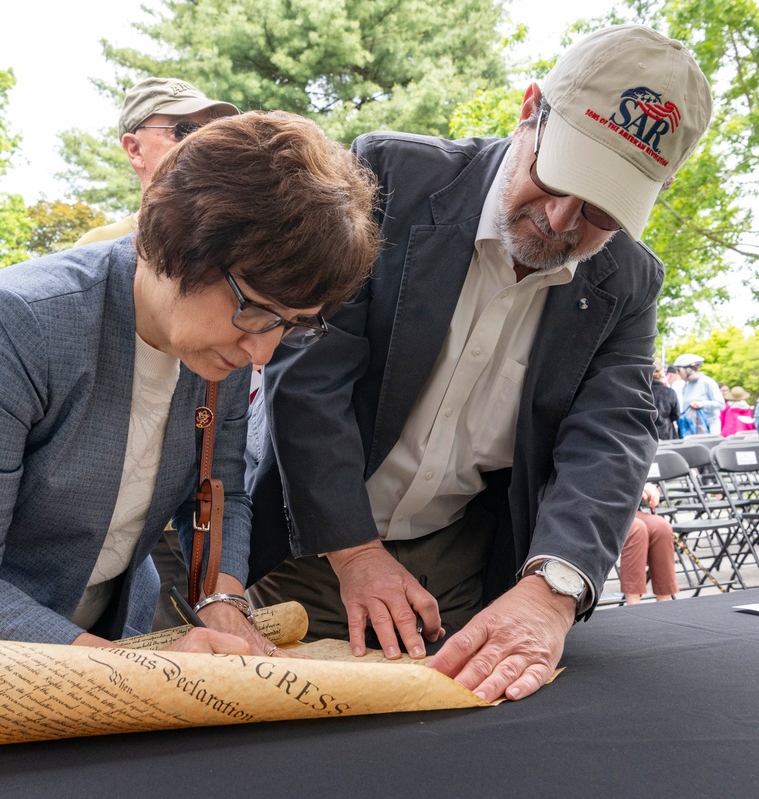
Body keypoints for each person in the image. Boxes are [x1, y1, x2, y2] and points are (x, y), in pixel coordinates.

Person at [0, 111, 380, 698]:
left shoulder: (220, 343)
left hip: (91, 644)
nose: (262, 352)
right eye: (256, 309)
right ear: (177, 241)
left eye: (293, 324)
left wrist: (224, 601)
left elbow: (218, 489)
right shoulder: (17, 323)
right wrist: (136, 674)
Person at [247, 24, 712, 703]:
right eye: (558, 177)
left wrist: (549, 593)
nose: (560, 219)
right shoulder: (392, 178)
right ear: (530, 111)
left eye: (602, 209)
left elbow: (610, 439)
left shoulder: (628, 281)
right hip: (306, 537)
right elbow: (308, 373)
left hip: (460, 562)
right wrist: (354, 552)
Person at [74, 78, 239, 628]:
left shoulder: (240, 258)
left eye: (215, 131)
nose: (203, 142)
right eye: (185, 129)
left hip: (184, 523)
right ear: (133, 147)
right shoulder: (95, 254)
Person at [73, 78, 239, 247]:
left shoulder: (240, 240)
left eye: (209, 129)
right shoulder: (97, 247)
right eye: (184, 130)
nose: (203, 142)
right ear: (135, 150)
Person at [619, 484, 678, 604]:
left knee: (662, 527)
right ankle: (634, 604)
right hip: (599, 510)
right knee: (637, 529)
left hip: (629, 509)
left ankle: (665, 603)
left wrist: (647, 488)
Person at [672, 353, 723, 433]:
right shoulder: (686, 385)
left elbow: (721, 404)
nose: (677, 373)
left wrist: (702, 404)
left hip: (709, 428)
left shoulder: (707, 382)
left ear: (688, 370)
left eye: (679, 370)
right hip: (693, 428)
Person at [651, 362, 680, 440]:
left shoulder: (642, 392)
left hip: (646, 437)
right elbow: (676, 415)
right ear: (663, 374)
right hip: (666, 434)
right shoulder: (670, 392)